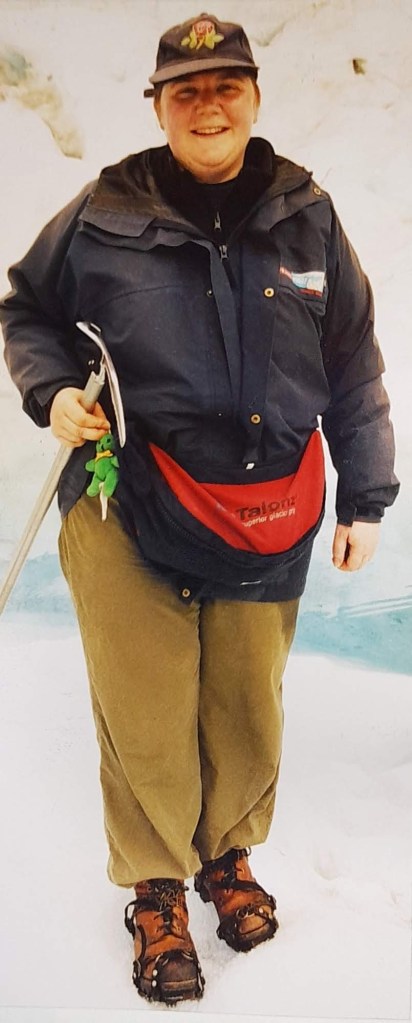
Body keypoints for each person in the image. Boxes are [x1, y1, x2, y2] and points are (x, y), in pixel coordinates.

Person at [0, 11, 399, 1008]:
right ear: (158, 107)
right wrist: (52, 391)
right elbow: (27, 311)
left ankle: (228, 859)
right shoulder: (102, 211)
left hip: (268, 510)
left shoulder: (307, 216)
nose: (207, 103)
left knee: (244, 703)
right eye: (186, 90)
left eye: (225, 85)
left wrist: (368, 494)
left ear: (255, 97)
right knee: (144, 713)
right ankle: (155, 890)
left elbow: (352, 363)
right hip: (126, 501)